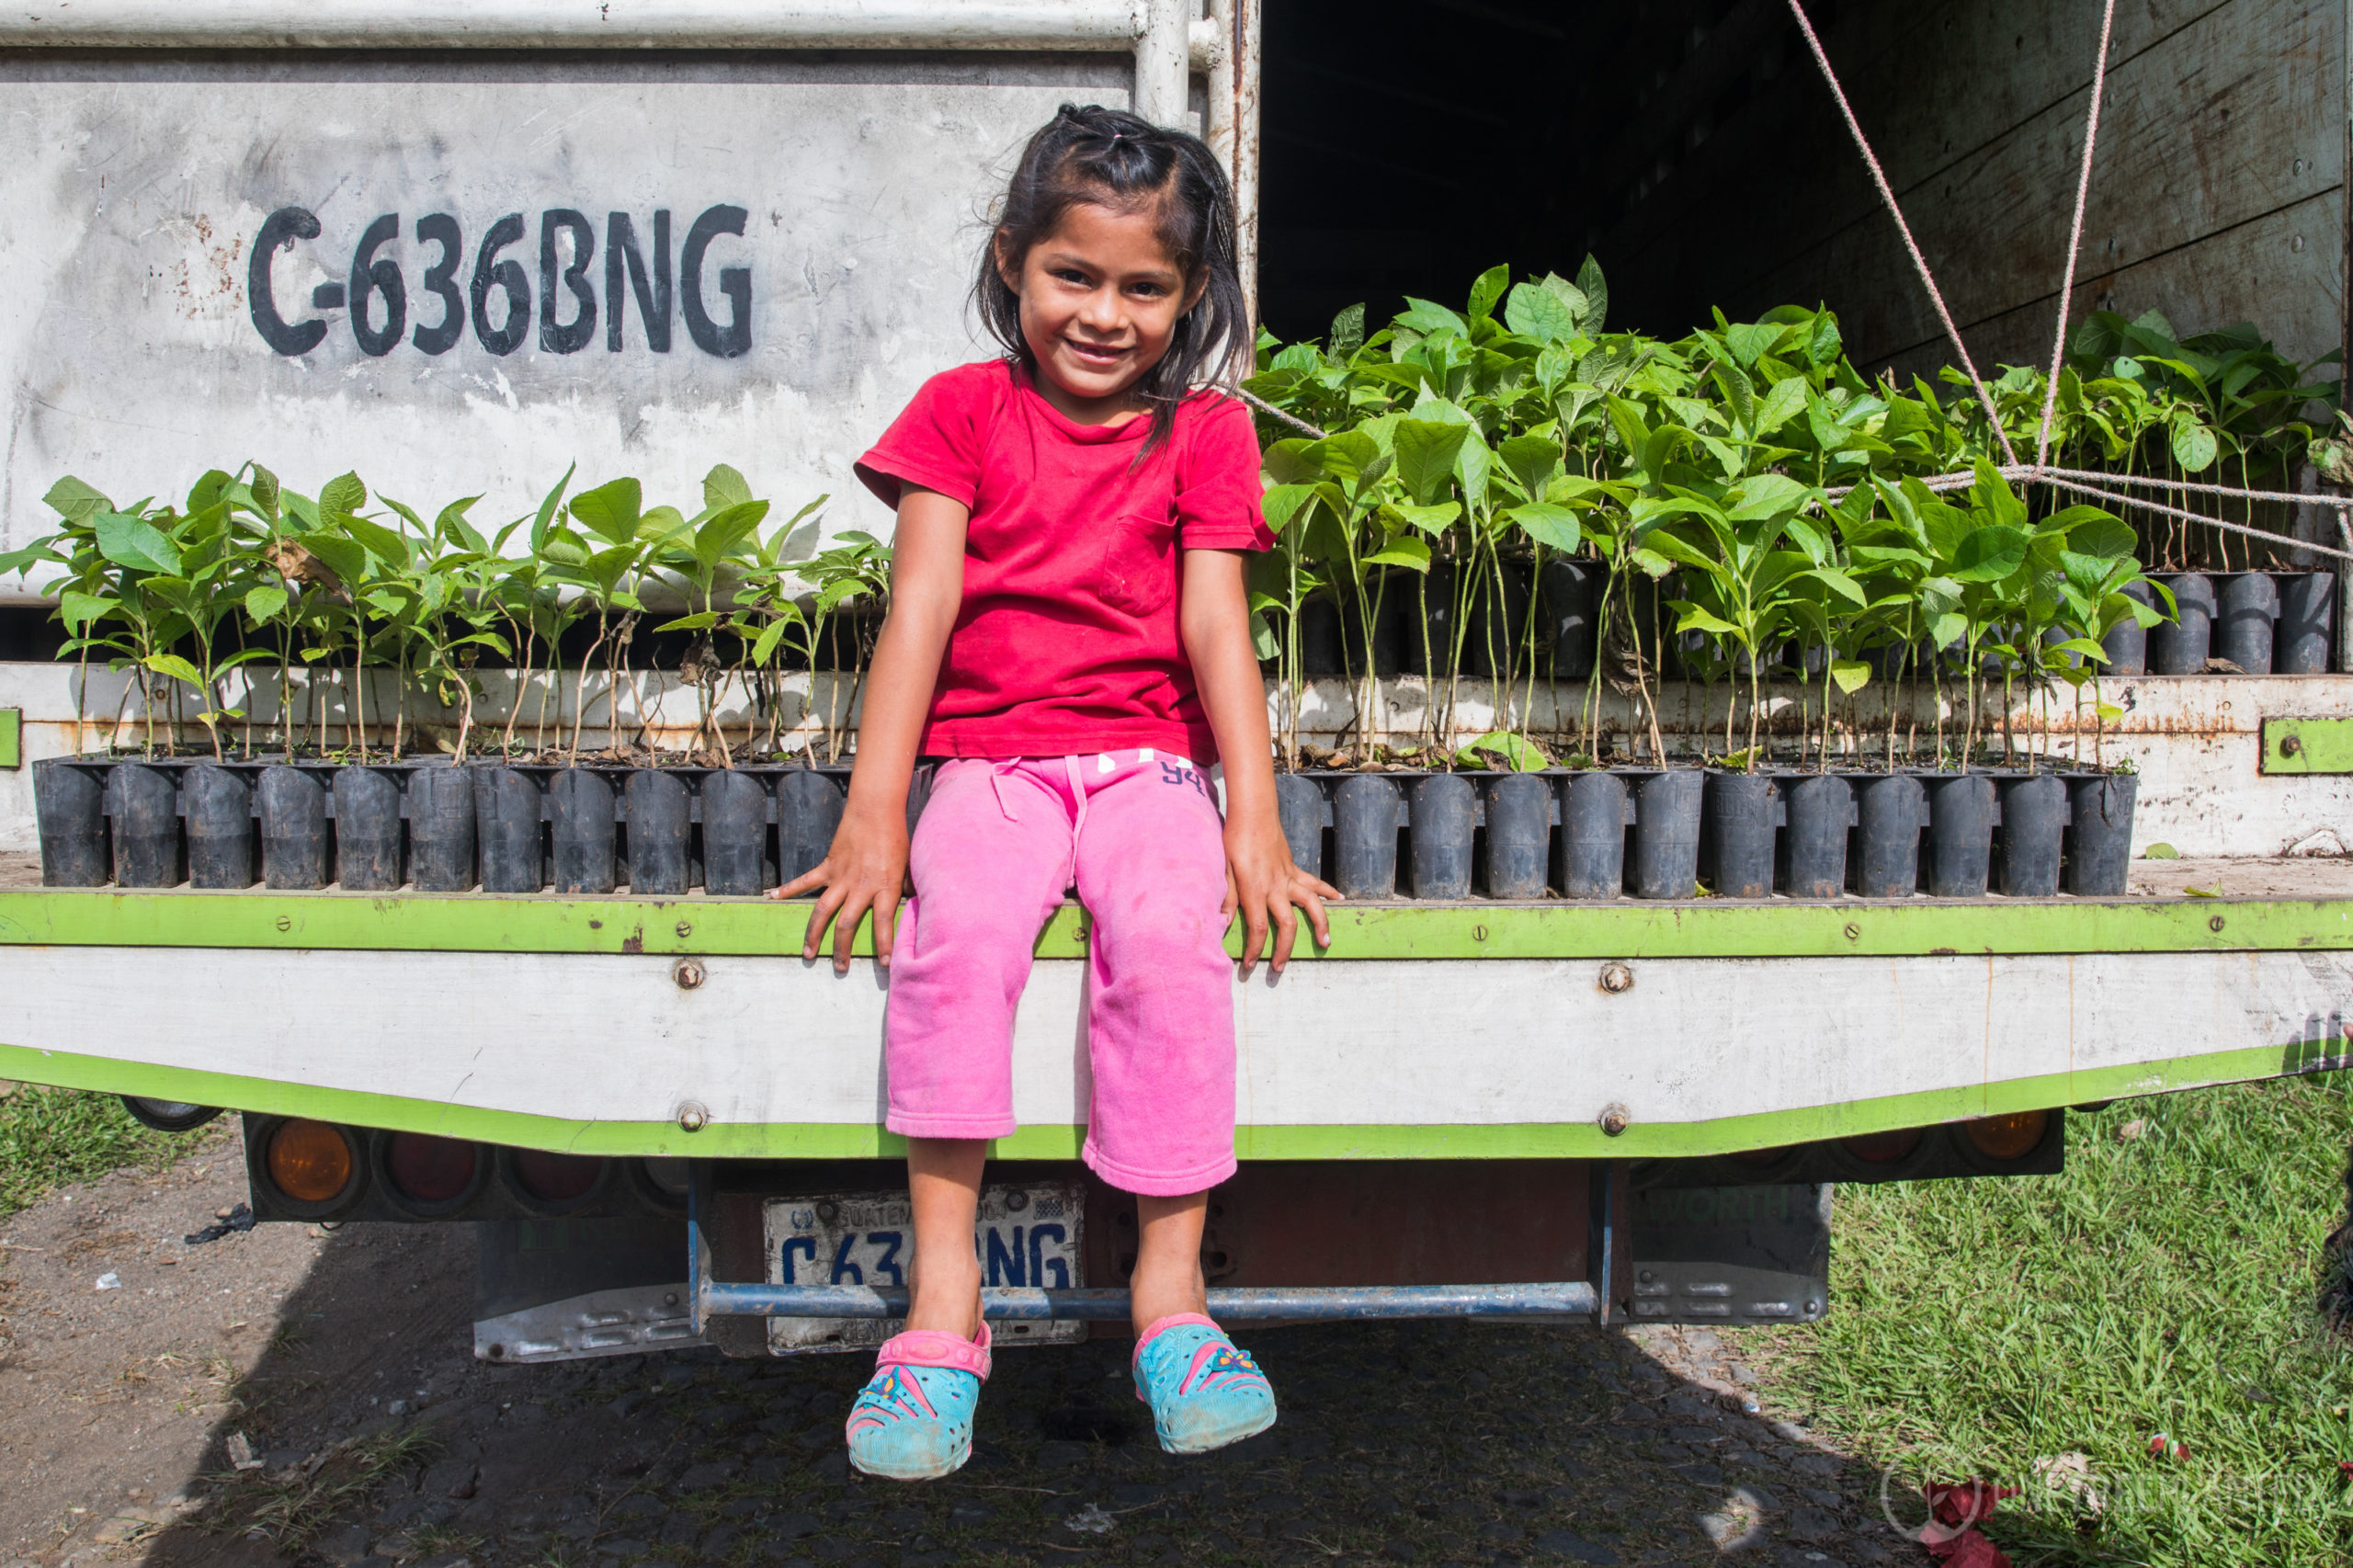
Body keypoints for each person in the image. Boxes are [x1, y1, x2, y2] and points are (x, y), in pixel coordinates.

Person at [770, 104, 1340, 1481]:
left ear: (1189, 296)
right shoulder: (960, 412)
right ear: (1012, 261)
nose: (1103, 313)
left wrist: (1253, 820)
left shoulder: (1206, 430)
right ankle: (941, 1303)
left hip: (1149, 766)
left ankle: (1171, 1303)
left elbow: (1216, 627)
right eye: (1072, 275)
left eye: (1144, 287)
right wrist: (876, 815)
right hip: (991, 767)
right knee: (955, 941)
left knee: (1170, 943)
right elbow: (918, 610)